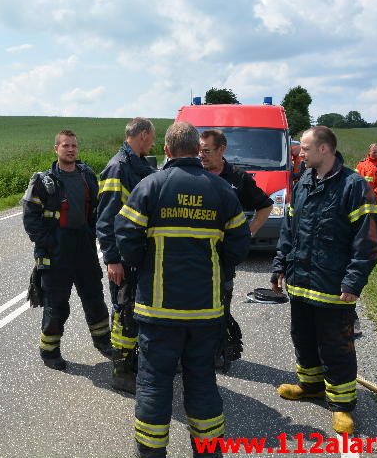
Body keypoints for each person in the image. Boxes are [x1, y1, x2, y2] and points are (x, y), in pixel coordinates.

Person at [116, 121, 251, 458]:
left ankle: (150, 453)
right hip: (205, 312)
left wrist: (146, 263)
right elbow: (238, 245)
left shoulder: (150, 186)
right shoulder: (220, 190)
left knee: (154, 385)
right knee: (202, 383)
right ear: (196, 150)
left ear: (166, 150)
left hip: (157, 313)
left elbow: (127, 240)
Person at [271, 126, 377, 436]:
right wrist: (280, 266)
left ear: (324, 150)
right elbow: (289, 231)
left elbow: (369, 240)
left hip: (333, 288)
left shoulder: (354, 186)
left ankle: (343, 406)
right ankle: (310, 386)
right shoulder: (303, 182)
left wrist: (353, 281)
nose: (299, 153)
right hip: (301, 284)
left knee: (336, 348)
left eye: (304, 148)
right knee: (303, 339)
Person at [21, 129, 111, 371]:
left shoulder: (87, 176)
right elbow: (30, 218)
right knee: (56, 303)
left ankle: (103, 340)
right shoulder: (43, 181)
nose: (70, 149)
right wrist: (47, 244)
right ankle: (49, 350)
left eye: (73, 145)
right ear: (56, 149)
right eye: (65, 146)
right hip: (56, 250)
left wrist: (92, 234)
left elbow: (97, 210)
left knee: (94, 296)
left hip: (84, 247)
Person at [199, 129, 273, 370]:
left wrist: (248, 233)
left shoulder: (238, 179)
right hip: (196, 254)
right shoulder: (194, 174)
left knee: (221, 304)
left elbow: (265, 206)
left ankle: (219, 352)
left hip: (224, 256)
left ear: (222, 150)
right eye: (200, 150)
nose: (202, 155)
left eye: (207, 151)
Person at [96, 117, 157, 393]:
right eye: (152, 136)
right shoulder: (118, 167)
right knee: (123, 313)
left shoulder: (138, 164)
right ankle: (121, 372)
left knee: (134, 311)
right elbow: (106, 219)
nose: (154, 142)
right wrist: (112, 259)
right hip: (122, 257)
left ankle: (133, 364)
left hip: (137, 256)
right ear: (142, 135)